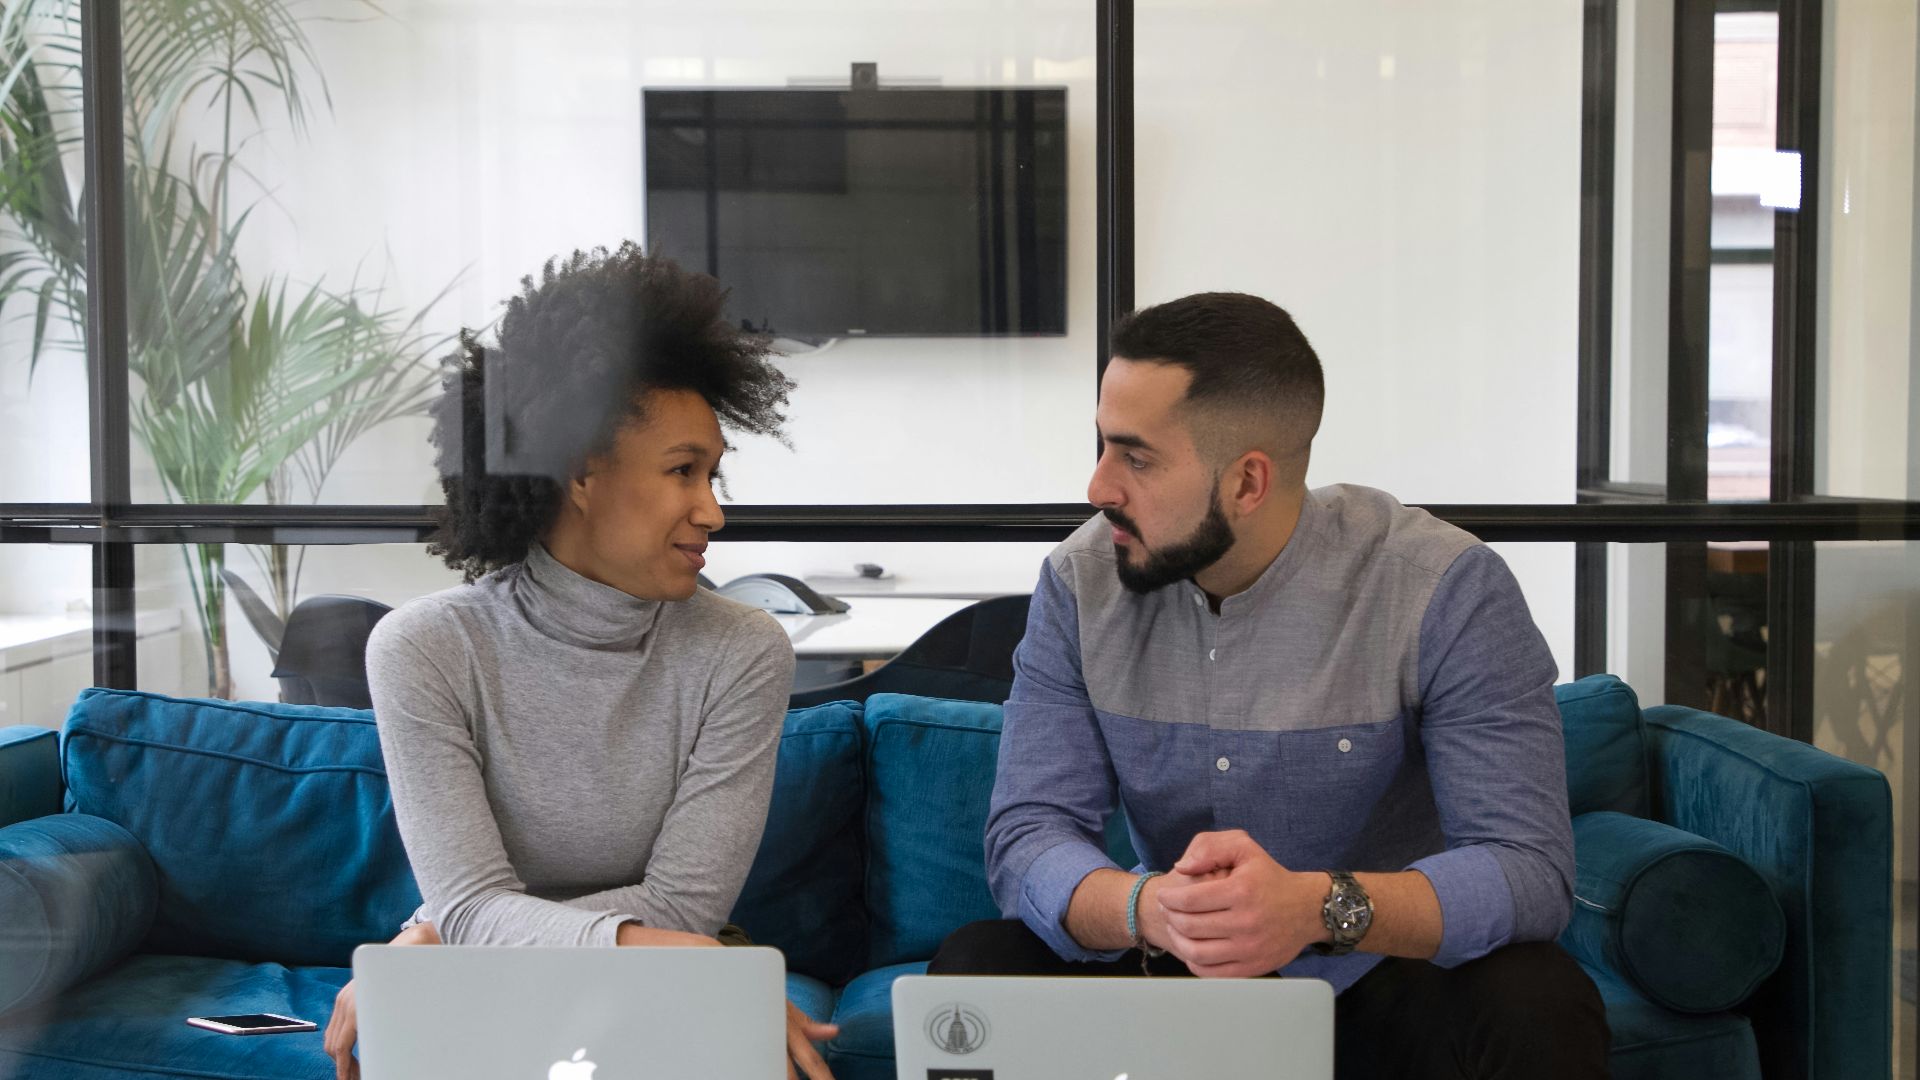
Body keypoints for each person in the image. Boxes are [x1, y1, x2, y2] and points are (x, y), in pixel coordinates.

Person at [928, 292, 1610, 1078]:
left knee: (1535, 997)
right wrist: (1148, 909)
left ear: (1249, 482)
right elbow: (1027, 835)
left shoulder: (1442, 589)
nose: (1098, 487)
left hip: (1373, 973)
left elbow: (1526, 868)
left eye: (1136, 457)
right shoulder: (1081, 584)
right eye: (1102, 447)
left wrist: (1316, 908)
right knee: (980, 964)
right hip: (1170, 968)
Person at [321, 244, 838, 1080]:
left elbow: (683, 908)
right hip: (642, 958)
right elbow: (470, 898)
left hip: (660, 959)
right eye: (683, 473)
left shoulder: (742, 650)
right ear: (580, 476)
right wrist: (460, 923)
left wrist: (441, 936)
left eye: (713, 474)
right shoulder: (425, 649)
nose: (713, 510)